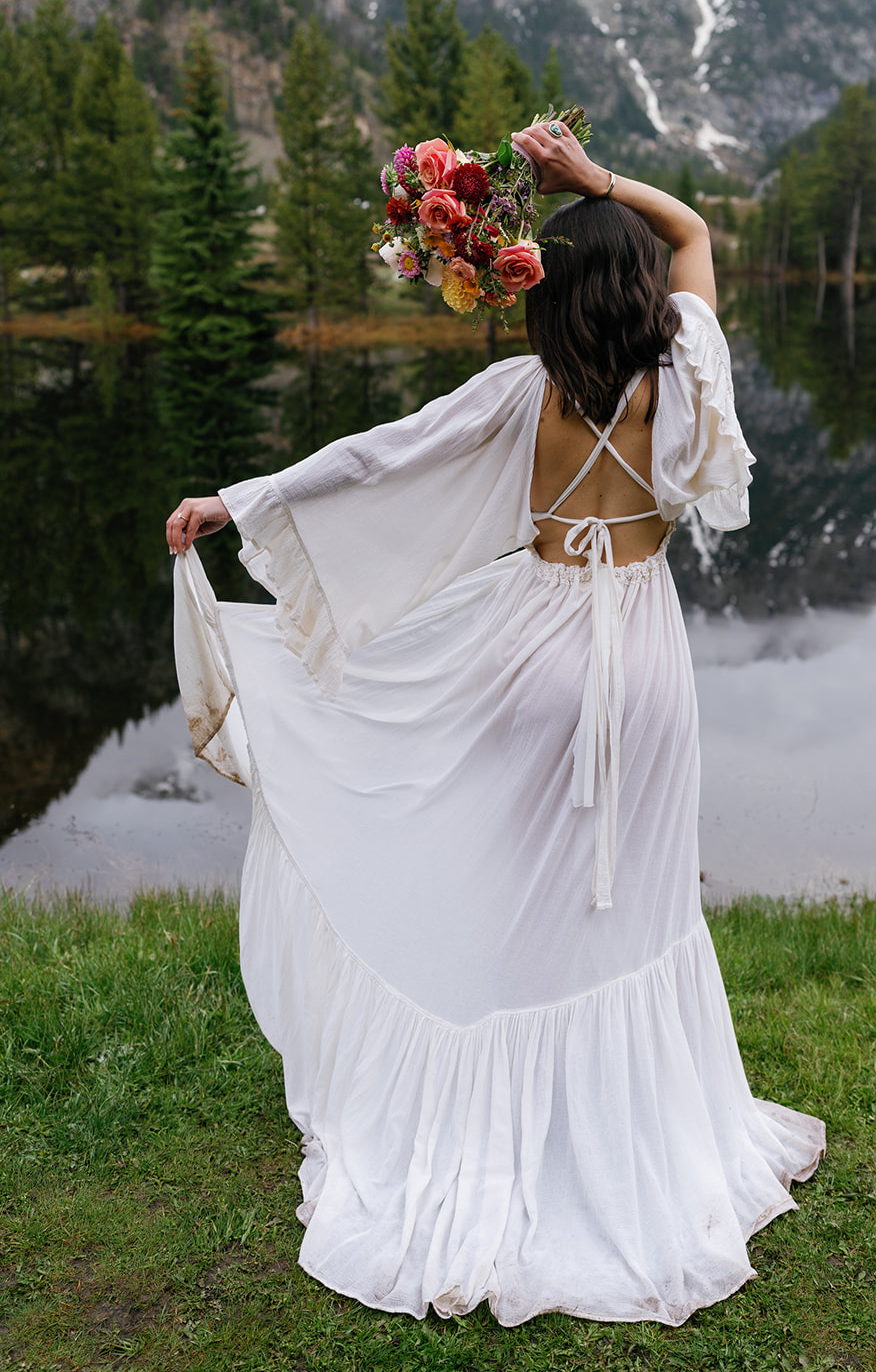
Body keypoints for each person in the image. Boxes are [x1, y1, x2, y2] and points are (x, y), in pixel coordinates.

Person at [166, 121, 824, 1327]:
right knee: (630, 896)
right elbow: (692, 231)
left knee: (503, 873)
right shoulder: (680, 375)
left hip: (535, 646)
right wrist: (597, 182)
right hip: (643, 657)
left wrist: (239, 501)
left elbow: (378, 459)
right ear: (638, 293)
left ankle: (494, 1119)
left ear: (542, 292)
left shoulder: (524, 389)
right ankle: (631, 1134)